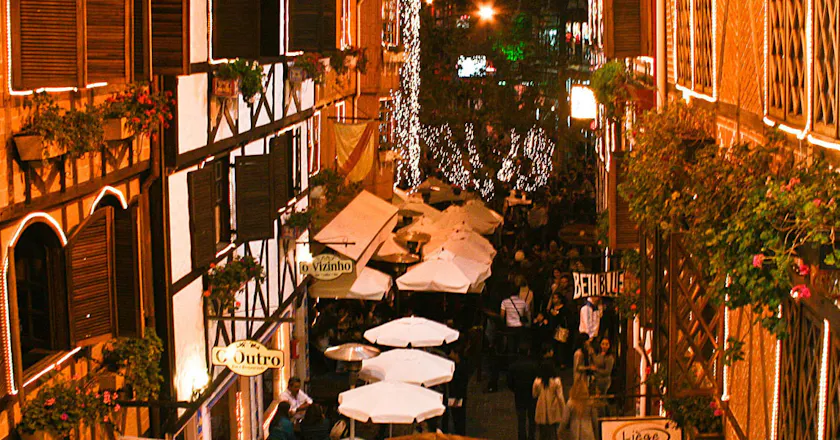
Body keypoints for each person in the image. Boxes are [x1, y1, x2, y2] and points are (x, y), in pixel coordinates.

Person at [508, 351, 540, 440]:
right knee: (532, 419)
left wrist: (515, 389)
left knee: (521, 420)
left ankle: (522, 437)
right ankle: (531, 437)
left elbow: (509, 382)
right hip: (531, 395)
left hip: (519, 395)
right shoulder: (534, 365)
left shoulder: (513, 366)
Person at [532, 360, 566, 440]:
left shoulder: (537, 381)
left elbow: (534, 394)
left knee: (543, 433)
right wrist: (564, 410)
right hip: (553, 408)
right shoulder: (556, 381)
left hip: (541, 408)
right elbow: (560, 397)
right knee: (554, 431)